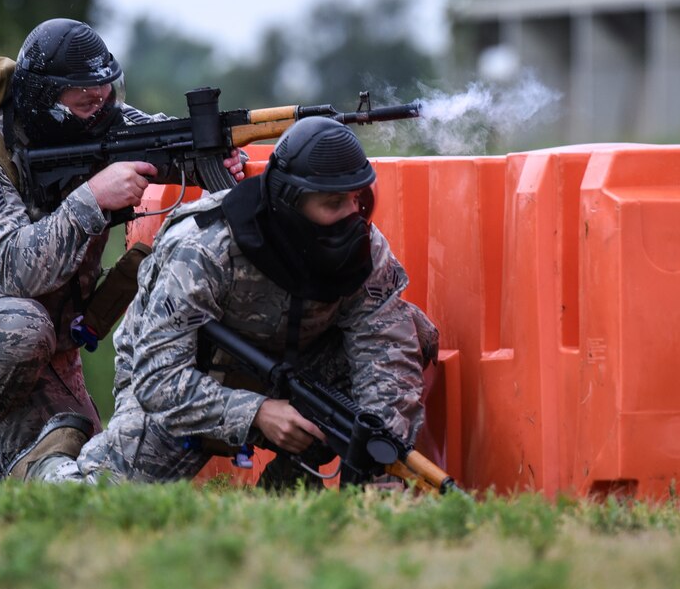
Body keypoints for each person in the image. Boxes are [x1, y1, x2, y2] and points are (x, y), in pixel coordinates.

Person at [0, 18, 244, 482]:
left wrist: (213, 159)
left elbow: (165, 139)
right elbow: (16, 272)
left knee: (73, 455)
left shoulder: (99, 122)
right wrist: (93, 198)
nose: (101, 110)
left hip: (40, 339)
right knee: (20, 327)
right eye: (85, 101)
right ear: (44, 102)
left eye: (106, 95)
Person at [24, 116, 438, 486]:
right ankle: (47, 464)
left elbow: (387, 362)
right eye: (333, 203)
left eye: (357, 198)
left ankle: (290, 486)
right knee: (98, 496)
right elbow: (157, 378)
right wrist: (256, 413)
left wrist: (382, 475)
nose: (352, 212)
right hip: (187, 378)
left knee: (410, 333)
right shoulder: (205, 247)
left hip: (291, 372)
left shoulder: (365, 249)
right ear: (292, 202)